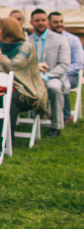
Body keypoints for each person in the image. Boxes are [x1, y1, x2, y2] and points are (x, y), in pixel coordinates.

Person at [0, 18, 48, 131]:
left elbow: (15, 65)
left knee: (9, 100)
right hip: (1, 89)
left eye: (0, 29)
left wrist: (0, 57)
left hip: (25, 91)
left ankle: (4, 139)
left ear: (8, 31)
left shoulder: (26, 47)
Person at [29, 9, 70, 137]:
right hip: (32, 77)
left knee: (54, 87)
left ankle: (56, 126)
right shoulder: (27, 40)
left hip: (54, 76)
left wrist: (46, 76)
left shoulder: (60, 39)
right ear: (31, 22)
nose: (40, 23)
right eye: (37, 20)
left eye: (43, 20)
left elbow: (64, 64)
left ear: (47, 21)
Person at [48, 11, 83, 124]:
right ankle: (42, 112)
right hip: (51, 73)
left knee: (61, 80)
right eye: (56, 22)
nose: (59, 24)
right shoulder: (46, 39)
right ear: (49, 23)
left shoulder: (73, 40)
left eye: (61, 21)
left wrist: (61, 72)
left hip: (70, 75)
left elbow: (80, 63)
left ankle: (66, 115)